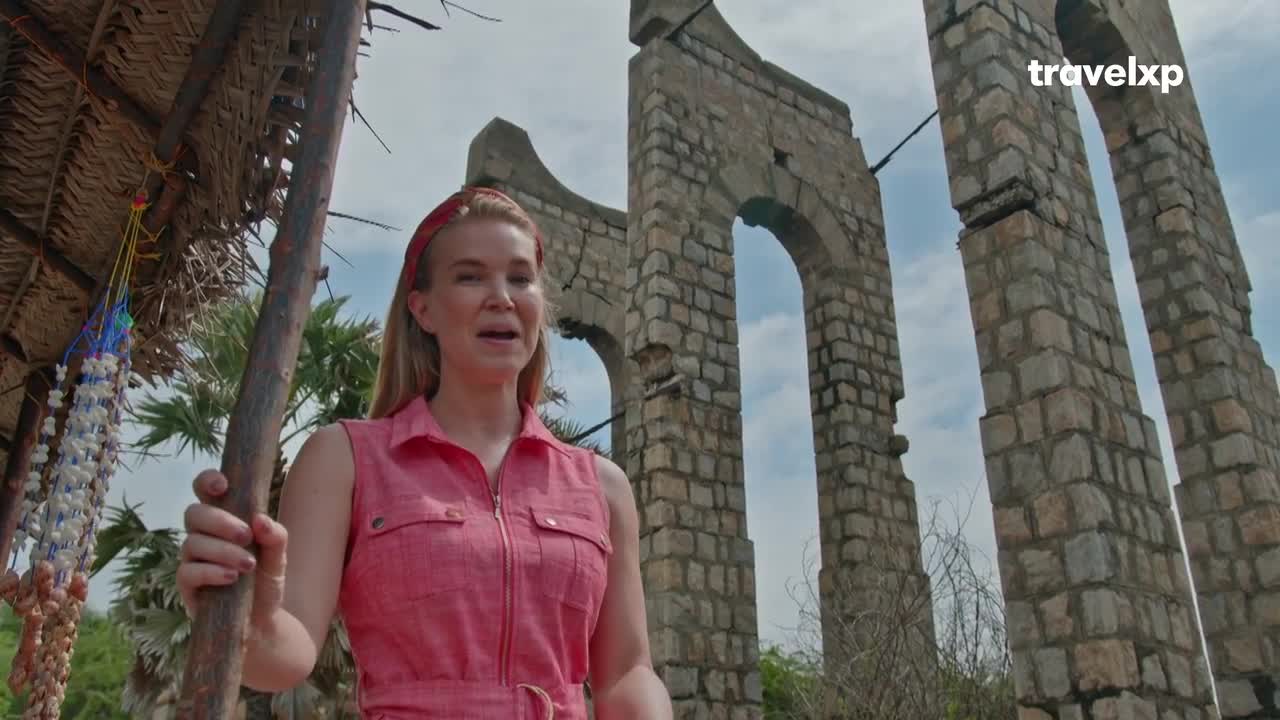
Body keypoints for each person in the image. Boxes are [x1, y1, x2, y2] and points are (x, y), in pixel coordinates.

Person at [176, 186, 674, 719]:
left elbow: (626, 672)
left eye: (520, 277)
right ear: (423, 310)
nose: (502, 296)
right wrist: (244, 614)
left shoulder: (602, 485)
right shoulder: (344, 457)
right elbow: (286, 651)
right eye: (470, 276)